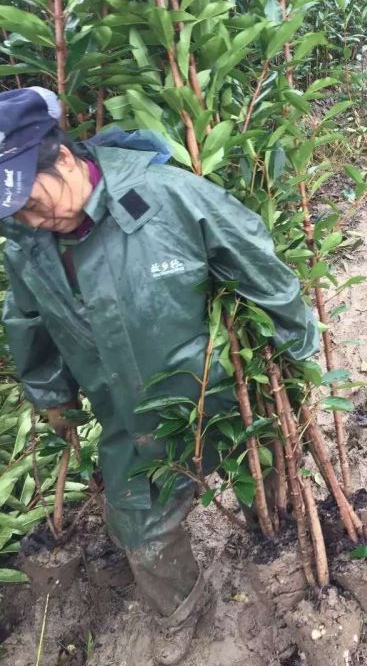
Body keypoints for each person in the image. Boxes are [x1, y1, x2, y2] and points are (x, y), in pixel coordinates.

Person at [0, 87, 320, 664]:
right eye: (14, 210)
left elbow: (257, 264)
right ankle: (181, 613)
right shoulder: (28, 244)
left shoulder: (167, 196)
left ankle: (278, 557)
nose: (29, 217)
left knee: (264, 483)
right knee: (140, 527)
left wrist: (301, 347)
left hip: (218, 396)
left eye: (31, 197)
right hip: (123, 416)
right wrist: (51, 394)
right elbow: (26, 318)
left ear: (66, 158)